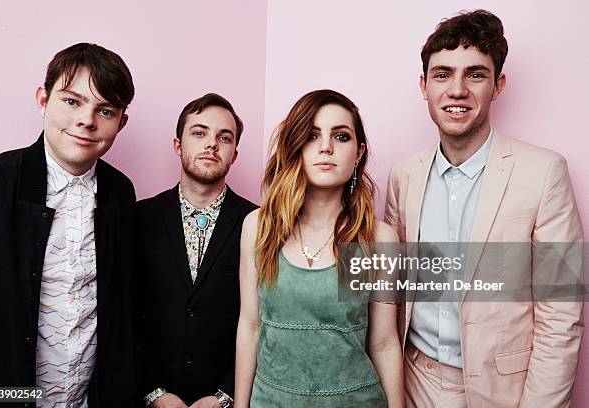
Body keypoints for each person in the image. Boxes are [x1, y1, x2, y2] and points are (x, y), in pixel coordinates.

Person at [384, 10, 584, 407]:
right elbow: (391, 296)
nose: (456, 90)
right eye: (442, 75)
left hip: (502, 393)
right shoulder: (403, 175)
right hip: (412, 384)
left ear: (498, 85)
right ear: (424, 86)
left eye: (475, 74)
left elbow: (562, 315)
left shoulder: (545, 172)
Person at [0, 43, 137, 407]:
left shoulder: (119, 192)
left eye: (105, 110)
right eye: (71, 101)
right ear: (42, 100)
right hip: (6, 396)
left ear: (121, 122)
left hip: (90, 397)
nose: (87, 120)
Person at [235, 89, 404, 407]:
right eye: (312, 136)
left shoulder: (379, 239)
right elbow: (251, 325)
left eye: (341, 137)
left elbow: (383, 344)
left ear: (358, 153)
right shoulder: (258, 227)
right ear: (295, 146)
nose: (326, 147)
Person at [136, 93, 257, 408]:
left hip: (225, 399)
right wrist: (153, 392)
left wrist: (225, 397)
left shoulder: (257, 223)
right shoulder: (138, 218)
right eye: (199, 133)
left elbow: (263, 320)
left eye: (224, 137)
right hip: (151, 399)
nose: (212, 144)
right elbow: (125, 315)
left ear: (235, 153)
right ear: (178, 145)